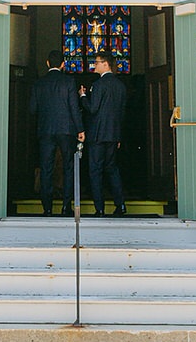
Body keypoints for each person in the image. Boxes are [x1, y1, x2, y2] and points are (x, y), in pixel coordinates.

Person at [29, 49, 85, 216]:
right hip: (66, 130)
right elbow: (74, 108)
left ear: (47, 63)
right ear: (63, 64)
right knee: (68, 167)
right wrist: (80, 129)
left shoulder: (39, 83)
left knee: (46, 168)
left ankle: (47, 208)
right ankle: (66, 206)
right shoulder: (68, 81)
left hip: (46, 129)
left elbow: (32, 109)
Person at [81, 48, 127, 216]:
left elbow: (93, 109)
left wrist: (83, 97)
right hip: (114, 134)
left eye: (97, 62)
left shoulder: (98, 85)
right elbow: (122, 113)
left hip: (98, 135)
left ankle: (99, 208)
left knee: (95, 170)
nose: (94, 65)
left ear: (105, 64)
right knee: (112, 169)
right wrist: (119, 136)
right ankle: (120, 204)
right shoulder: (121, 86)